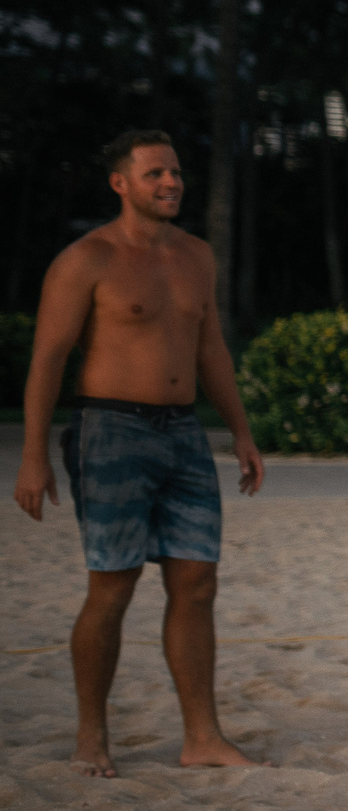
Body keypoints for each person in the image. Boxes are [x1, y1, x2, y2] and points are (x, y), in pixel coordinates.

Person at [15, 130, 268, 777]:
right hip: (109, 429)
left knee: (196, 581)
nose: (171, 183)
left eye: (176, 172)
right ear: (120, 183)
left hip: (184, 433)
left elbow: (211, 349)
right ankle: (91, 735)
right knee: (114, 584)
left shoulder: (196, 256)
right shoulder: (86, 258)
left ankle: (202, 736)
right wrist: (33, 454)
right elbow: (48, 358)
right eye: (155, 173)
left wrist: (239, 431)